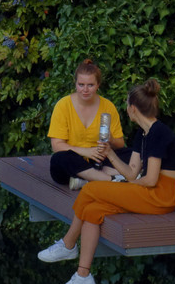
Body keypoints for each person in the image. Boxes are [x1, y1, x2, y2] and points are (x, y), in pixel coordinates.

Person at [37, 77, 175, 284]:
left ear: (133, 109)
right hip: (147, 192)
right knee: (93, 210)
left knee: (90, 190)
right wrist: (111, 154)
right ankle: (83, 275)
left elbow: (150, 180)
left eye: (126, 105)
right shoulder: (142, 133)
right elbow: (132, 172)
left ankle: (68, 244)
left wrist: (124, 186)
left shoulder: (159, 133)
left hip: (161, 197)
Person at [47, 58, 123, 189]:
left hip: (99, 160)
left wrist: (111, 140)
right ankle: (110, 180)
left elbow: (120, 144)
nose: (85, 90)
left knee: (132, 154)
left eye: (90, 85)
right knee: (59, 159)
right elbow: (57, 146)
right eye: (81, 84)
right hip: (74, 162)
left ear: (98, 85)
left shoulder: (108, 106)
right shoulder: (63, 105)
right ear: (75, 84)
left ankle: (88, 180)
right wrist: (86, 152)